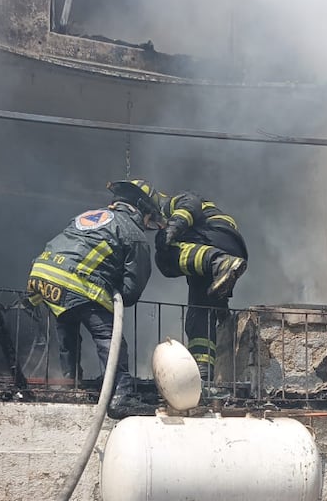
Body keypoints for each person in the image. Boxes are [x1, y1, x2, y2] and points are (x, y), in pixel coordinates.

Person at [26, 181, 152, 418]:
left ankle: (70, 382)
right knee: (110, 338)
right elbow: (132, 288)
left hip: (44, 275)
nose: (148, 224)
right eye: (149, 218)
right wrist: (117, 293)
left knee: (68, 327)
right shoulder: (133, 232)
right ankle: (120, 396)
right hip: (77, 282)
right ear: (141, 208)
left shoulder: (87, 215)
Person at [122, 179, 248, 384]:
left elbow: (191, 204)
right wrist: (220, 304)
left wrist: (172, 228)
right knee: (198, 314)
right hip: (217, 247)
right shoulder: (193, 254)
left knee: (164, 256)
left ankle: (219, 263)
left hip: (215, 235)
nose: (154, 223)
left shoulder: (171, 202)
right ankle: (203, 371)